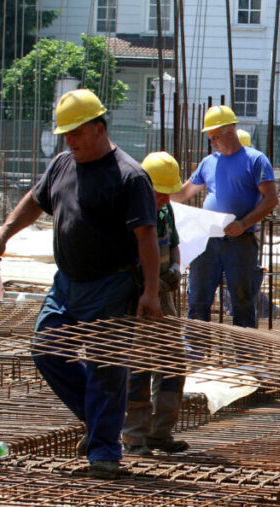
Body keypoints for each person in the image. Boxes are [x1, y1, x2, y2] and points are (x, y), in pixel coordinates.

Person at [0, 89, 162, 480]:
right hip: (67, 283)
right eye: (66, 134)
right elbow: (34, 199)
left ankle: (104, 454)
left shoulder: (130, 177)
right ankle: (99, 421)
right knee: (46, 349)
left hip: (111, 286)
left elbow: (146, 238)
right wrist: (3, 235)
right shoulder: (63, 164)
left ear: (99, 128)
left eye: (76, 133)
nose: (70, 141)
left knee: (106, 369)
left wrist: (150, 292)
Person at [172, 105, 278, 328]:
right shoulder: (208, 162)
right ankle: (197, 355)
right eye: (210, 137)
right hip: (208, 241)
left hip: (241, 241)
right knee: (198, 298)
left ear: (230, 132)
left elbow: (271, 200)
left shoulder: (255, 160)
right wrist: (156, 191)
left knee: (242, 301)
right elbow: (183, 193)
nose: (212, 142)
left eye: (215, 137)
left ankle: (244, 358)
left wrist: (243, 223)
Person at [121, 152, 189, 456]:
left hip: (164, 299)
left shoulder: (165, 211)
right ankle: (135, 437)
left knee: (174, 363)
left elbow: (173, 246)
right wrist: (149, 284)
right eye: (160, 193)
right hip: (138, 300)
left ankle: (160, 433)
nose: (164, 198)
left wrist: (175, 269)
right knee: (139, 364)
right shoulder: (129, 210)